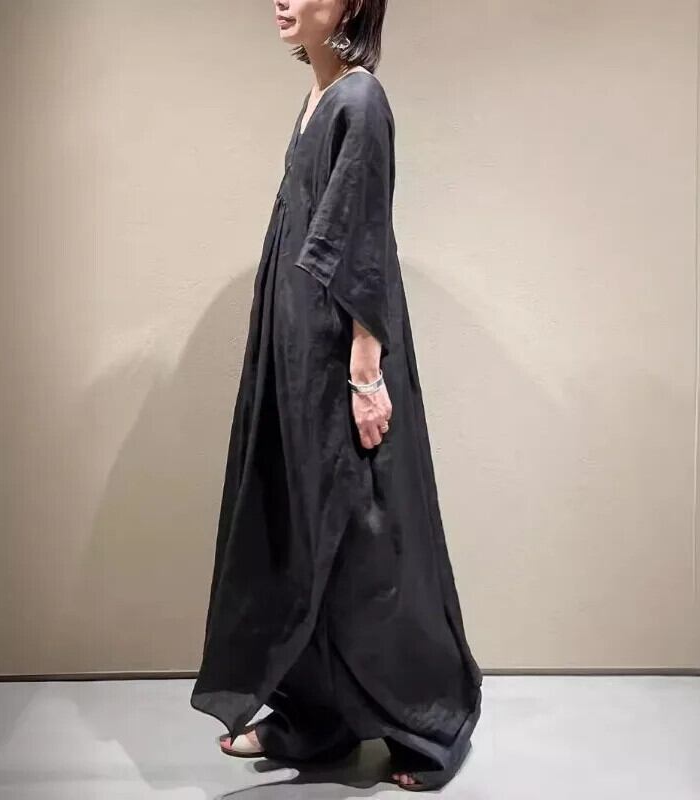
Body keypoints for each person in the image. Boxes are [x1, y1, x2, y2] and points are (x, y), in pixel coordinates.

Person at [190, 0, 483, 791]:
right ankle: (313, 722)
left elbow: (361, 241)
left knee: (367, 547)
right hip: (295, 352)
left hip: (334, 356)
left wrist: (364, 373)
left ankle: (430, 726)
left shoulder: (360, 99)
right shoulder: (318, 97)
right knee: (301, 533)